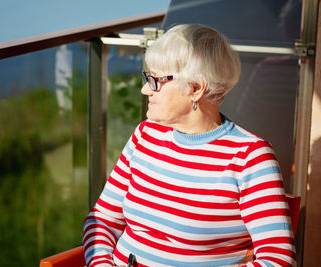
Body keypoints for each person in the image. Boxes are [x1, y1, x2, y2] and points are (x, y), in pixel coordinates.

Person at [82, 24, 296, 267]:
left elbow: (277, 260)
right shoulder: (145, 136)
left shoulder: (250, 157)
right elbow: (102, 220)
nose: (144, 90)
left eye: (155, 81)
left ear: (195, 88)